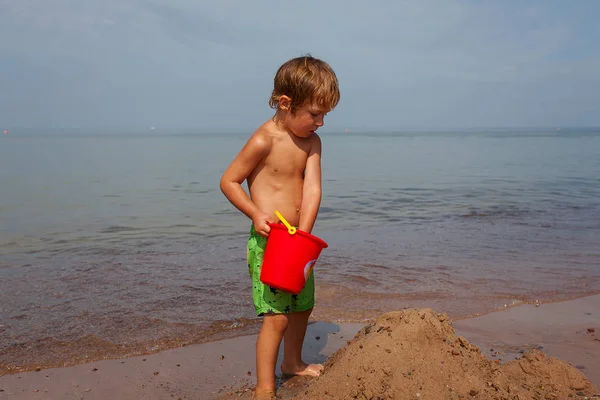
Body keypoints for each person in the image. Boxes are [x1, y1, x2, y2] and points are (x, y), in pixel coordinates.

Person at [220, 55, 340, 398]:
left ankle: (293, 363)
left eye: (324, 115)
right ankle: (264, 387)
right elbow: (229, 181)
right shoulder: (264, 140)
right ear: (286, 104)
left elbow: (313, 188)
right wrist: (256, 215)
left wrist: (303, 233)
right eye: (314, 114)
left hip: (297, 242)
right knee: (276, 316)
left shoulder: (312, 142)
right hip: (270, 242)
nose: (319, 123)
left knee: (303, 305)